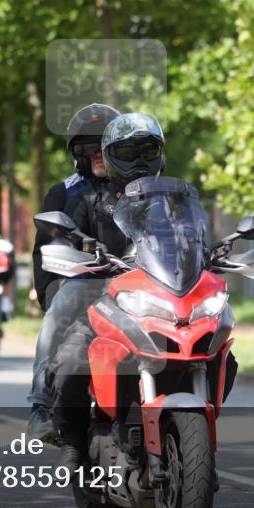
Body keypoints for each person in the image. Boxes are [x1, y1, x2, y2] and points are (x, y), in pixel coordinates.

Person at [51, 113, 167, 471]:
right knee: (71, 361)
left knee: (218, 351)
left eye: (147, 152)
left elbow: (192, 241)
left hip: (160, 301)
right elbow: (64, 239)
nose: (139, 161)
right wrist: (83, 252)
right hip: (101, 300)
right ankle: (72, 440)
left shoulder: (171, 199)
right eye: (129, 153)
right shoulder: (87, 198)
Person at [26, 104, 120, 438]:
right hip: (82, 283)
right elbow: (44, 249)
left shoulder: (135, 188)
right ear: (77, 153)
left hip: (133, 283)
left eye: (104, 147)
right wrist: (49, 294)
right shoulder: (63, 191)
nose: (98, 154)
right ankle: (41, 404)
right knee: (58, 315)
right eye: (89, 148)